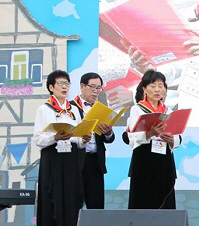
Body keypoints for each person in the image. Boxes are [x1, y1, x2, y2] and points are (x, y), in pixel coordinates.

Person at [32, 70, 90, 226]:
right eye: (60, 83)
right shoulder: (44, 109)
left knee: (72, 198)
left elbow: (80, 139)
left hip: (71, 158)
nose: (65, 87)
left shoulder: (74, 110)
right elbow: (38, 139)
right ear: (51, 87)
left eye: (67, 83)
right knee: (51, 197)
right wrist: (55, 136)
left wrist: (84, 138)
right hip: (53, 156)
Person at [126, 69, 181, 209]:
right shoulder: (137, 109)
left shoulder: (169, 111)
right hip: (144, 158)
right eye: (152, 86)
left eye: (160, 86)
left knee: (165, 199)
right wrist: (149, 133)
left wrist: (171, 139)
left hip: (165, 159)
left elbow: (178, 137)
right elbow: (131, 138)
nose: (157, 90)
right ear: (144, 89)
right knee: (143, 199)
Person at [69, 72, 115, 209]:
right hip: (76, 161)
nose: (95, 91)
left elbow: (110, 139)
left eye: (98, 88)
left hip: (96, 162)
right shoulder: (69, 108)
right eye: (92, 87)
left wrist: (108, 133)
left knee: (96, 206)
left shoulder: (102, 109)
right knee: (73, 204)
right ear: (82, 86)